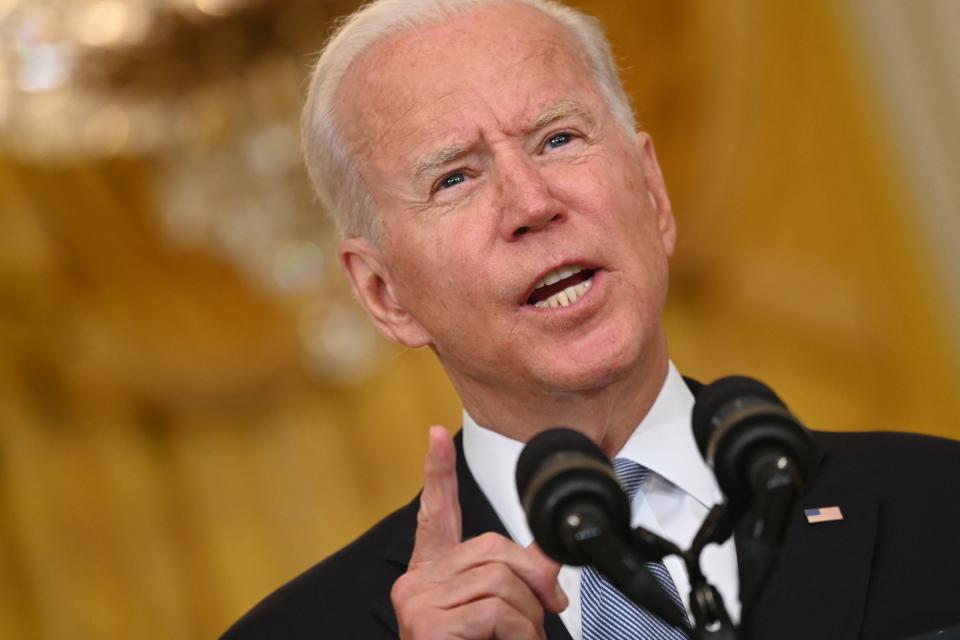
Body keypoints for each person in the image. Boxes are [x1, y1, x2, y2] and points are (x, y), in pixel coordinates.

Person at [222, 1, 960, 638]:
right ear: (386, 295)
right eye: (455, 178)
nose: (532, 204)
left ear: (652, 192)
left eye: (558, 139)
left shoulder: (937, 503)